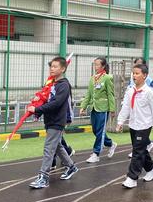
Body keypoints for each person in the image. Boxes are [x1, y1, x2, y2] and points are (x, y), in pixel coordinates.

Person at [28, 56, 79, 189]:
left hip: (57, 121)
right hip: (50, 120)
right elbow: (46, 100)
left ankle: (43, 177)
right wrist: (37, 112)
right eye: (51, 66)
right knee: (57, 146)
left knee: (49, 148)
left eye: (55, 66)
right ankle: (71, 167)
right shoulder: (51, 84)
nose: (52, 68)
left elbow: (56, 104)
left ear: (63, 69)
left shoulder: (64, 85)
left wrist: (37, 109)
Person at [116, 63, 153, 188]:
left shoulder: (148, 92)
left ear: (145, 76)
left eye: (137, 73)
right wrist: (120, 122)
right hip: (133, 124)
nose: (134, 76)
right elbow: (126, 107)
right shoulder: (130, 90)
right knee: (141, 149)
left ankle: (132, 178)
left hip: (145, 125)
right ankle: (151, 169)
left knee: (137, 151)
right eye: (133, 73)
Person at [80, 57, 117, 163]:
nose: (95, 67)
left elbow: (110, 95)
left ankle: (96, 153)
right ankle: (110, 143)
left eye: (97, 65)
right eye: (94, 64)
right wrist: (83, 106)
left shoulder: (107, 78)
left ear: (103, 66)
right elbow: (88, 94)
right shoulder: (92, 78)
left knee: (100, 131)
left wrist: (112, 109)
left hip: (103, 109)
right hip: (94, 108)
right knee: (96, 131)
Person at [127, 57, 153, 158]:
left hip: (144, 112)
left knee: (140, 133)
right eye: (136, 64)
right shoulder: (132, 78)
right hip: (134, 110)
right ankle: (150, 169)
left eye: (140, 64)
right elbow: (129, 89)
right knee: (135, 133)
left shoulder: (149, 81)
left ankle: (132, 173)